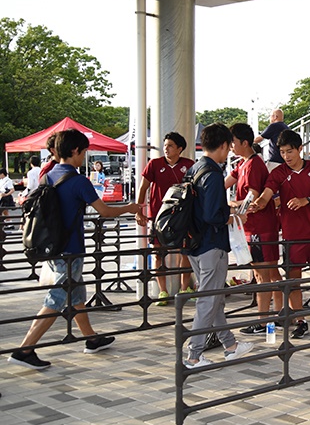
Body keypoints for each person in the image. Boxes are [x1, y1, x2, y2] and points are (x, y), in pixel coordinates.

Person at [7, 129, 142, 370]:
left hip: (53, 247)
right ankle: (24, 349)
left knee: (77, 293)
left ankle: (91, 338)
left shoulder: (48, 176)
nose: (85, 156)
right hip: (71, 249)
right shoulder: (78, 180)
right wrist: (130, 208)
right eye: (84, 151)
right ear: (75, 151)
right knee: (58, 297)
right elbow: (105, 211)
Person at [252, 129, 310, 339]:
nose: (287, 156)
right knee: (293, 280)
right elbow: (267, 194)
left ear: (300, 149)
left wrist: (305, 200)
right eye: (282, 152)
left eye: (290, 151)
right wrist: (259, 204)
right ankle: (300, 321)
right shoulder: (279, 173)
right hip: (292, 236)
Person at [182, 124, 254, 368]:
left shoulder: (193, 169)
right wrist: (234, 217)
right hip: (211, 244)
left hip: (194, 243)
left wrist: (227, 209)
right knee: (208, 299)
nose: (229, 152)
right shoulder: (212, 174)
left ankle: (230, 345)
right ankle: (194, 354)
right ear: (223, 145)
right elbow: (213, 215)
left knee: (213, 298)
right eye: (229, 147)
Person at [226, 123, 281, 335]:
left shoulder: (252, 165)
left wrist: (233, 205)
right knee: (271, 273)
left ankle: (263, 322)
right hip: (258, 226)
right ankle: (278, 316)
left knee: (262, 275)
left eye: (233, 142)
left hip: (258, 226)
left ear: (245, 143)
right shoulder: (244, 164)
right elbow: (226, 181)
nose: (230, 146)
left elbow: (251, 197)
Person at [135, 132, 196, 302]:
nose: (166, 149)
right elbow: (143, 187)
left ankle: (185, 289)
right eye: (165, 145)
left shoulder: (189, 165)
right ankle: (163, 291)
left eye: (170, 146)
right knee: (158, 253)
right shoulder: (154, 164)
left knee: (186, 253)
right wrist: (139, 210)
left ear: (180, 149)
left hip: (182, 217)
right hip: (158, 217)